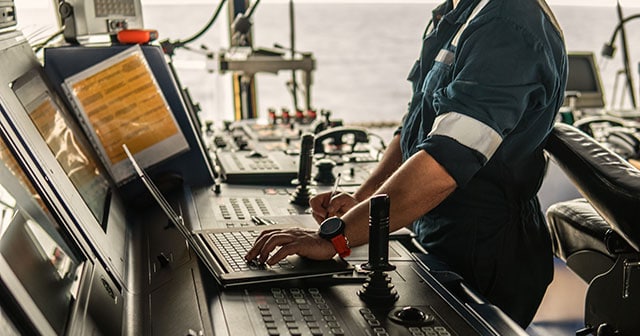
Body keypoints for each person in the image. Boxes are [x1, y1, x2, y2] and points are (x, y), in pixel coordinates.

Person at [246, 0, 567, 328]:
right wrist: (363, 201)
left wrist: (335, 239)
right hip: (433, 229)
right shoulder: (459, 12)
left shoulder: (508, 26)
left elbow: (445, 161)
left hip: (484, 250)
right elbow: (415, 126)